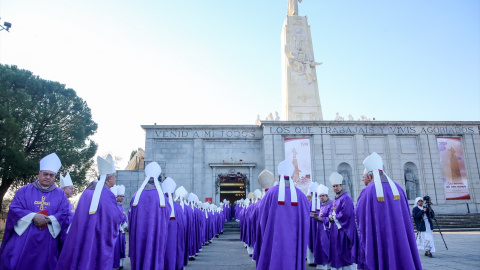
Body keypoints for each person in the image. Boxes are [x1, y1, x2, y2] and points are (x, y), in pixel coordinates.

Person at [0, 153, 70, 270]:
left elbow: (65, 213)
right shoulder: (24, 190)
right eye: (45, 174)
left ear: (55, 176)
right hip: (24, 237)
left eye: (51, 175)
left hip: (48, 238)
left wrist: (50, 219)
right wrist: (33, 216)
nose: (48, 177)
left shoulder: (60, 194)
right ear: (39, 174)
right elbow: (14, 209)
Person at [355, 152, 422, 270]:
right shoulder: (398, 189)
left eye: (364, 178)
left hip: (378, 238)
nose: (363, 181)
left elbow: (360, 216)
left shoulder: (367, 192)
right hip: (399, 237)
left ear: (370, 176)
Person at [56, 154, 123, 269]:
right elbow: (115, 218)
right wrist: (121, 216)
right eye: (115, 177)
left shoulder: (87, 192)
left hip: (83, 234)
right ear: (109, 178)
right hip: (98, 237)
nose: (116, 179)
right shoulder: (107, 194)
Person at [256, 160, 309, 270]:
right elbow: (305, 222)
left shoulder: (270, 193)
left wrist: (267, 233)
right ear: (292, 176)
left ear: (279, 177)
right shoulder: (301, 196)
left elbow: (262, 218)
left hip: (273, 239)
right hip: (294, 242)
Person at [128, 162, 171, 270]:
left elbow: (130, 215)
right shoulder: (161, 197)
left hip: (139, 236)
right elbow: (168, 213)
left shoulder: (136, 196)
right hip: (155, 235)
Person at [328, 172, 358, 270]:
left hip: (344, 231)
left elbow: (346, 214)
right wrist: (330, 216)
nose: (335, 188)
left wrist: (334, 217)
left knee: (345, 253)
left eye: (336, 186)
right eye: (333, 186)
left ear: (341, 185)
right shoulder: (336, 198)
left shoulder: (346, 198)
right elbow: (333, 210)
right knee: (337, 253)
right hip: (336, 230)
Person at [162, 177, 187, 270]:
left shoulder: (159, 205)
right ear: (172, 195)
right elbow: (183, 223)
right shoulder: (178, 208)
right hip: (175, 238)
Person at [314, 184, 332, 270]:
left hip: (327, 230)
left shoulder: (331, 204)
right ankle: (322, 265)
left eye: (323, 196)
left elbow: (331, 217)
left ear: (327, 196)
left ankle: (328, 265)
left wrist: (321, 219)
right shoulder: (322, 205)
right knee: (320, 246)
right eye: (320, 196)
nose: (321, 197)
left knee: (326, 246)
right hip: (320, 229)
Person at [111, 185, 128, 269]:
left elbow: (124, 218)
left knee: (122, 248)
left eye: (123, 196)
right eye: (120, 196)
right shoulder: (114, 206)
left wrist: (126, 226)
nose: (122, 198)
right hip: (116, 231)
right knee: (116, 249)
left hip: (122, 232)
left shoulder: (121, 206)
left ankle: (121, 264)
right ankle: (115, 264)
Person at [59, 172, 75, 250]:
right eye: (71, 188)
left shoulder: (69, 203)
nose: (73, 191)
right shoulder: (59, 202)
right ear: (63, 189)